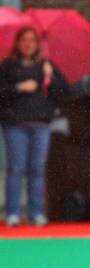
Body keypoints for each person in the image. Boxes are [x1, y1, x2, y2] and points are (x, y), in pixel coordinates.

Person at [0, 27, 69, 227]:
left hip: (41, 123)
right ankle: (13, 212)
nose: (28, 44)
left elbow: (64, 92)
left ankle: (36, 212)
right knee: (16, 168)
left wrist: (51, 77)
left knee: (37, 169)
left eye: (32, 40)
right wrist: (19, 87)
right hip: (16, 123)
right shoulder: (8, 66)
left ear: (38, 44)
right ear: (18, 43)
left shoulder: (46, 65)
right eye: (24, 40)